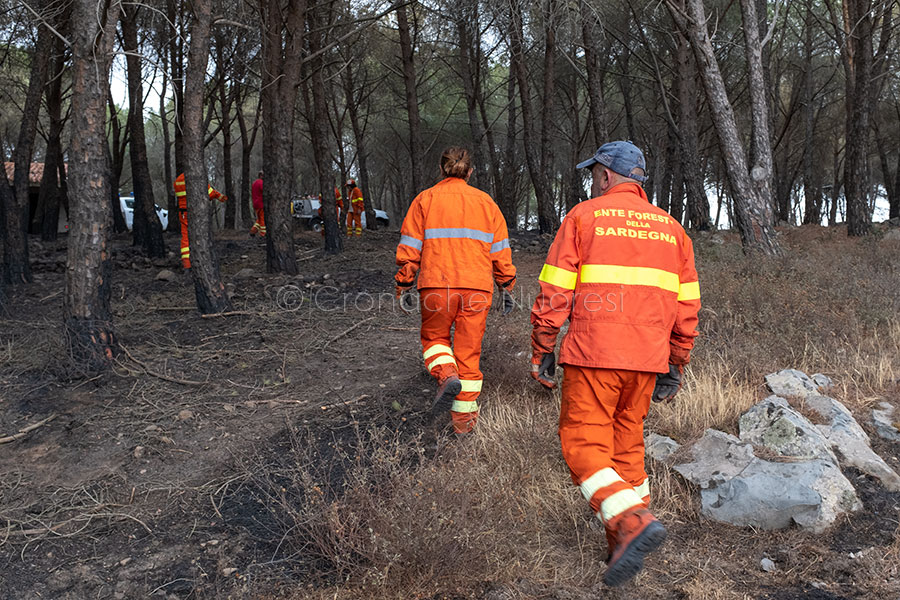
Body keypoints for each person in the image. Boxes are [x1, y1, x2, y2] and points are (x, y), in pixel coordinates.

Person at [529, 141, 700, 587]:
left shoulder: (584, 217)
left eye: (594, 174)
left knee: (583, 442)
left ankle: (631, 521)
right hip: (647, 360)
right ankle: (623, 543)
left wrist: (543, 346)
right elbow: (687, 307)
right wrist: (676, 361)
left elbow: (555, 292)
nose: (592, 181)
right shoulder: (673, 231)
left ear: (606, 176)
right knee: (626, 446)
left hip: (594, 354)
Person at [395, 147, 516, 434]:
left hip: (437, 285)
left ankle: (446, 375)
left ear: (441, 169)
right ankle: (463, 426)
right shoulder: (487, 203)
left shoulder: (425, 200)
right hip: (477, 289)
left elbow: (410, 249)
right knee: (469, 355)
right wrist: (506, 286)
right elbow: (501, 251)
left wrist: (404, 283)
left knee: (435, 339)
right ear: (470, 172)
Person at [173, 172, 226, 269]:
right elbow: (210, 194)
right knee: (201, 234)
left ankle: (187, 263)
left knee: (185, 237)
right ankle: (202, 260)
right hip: (196, 212)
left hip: (183, 213)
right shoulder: (196, 177)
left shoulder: (178, 181)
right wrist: (221, 197)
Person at [249, 171, 265, 237]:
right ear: (261, 175)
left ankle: (253, 231)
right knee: (263, 219)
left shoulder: (254, 183)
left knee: (259, 219)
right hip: (261, 203)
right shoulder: (261, 183)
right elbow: (264, 191)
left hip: (255, 204)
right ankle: (263, 234)